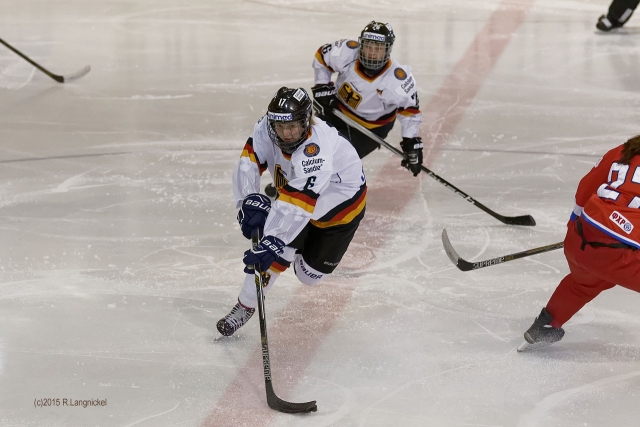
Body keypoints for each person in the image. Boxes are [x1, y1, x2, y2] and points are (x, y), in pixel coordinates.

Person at [216, 86, 367, 337]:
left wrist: (274, 239)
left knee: (308, 275)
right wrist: (247, 201)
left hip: (341, 201)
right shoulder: (266, 127)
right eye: (280, 126)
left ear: (306, 122)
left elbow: (300, 202)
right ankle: (245, 305)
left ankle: (297, 246)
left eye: (293, 126)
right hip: (297, 194)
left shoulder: (316, 149)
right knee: (277, 246)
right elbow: (248, 163)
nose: (286, 133)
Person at [518, 136, 640, 352]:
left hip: (581, 238)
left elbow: (586, 188)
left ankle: (544, 326)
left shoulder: (623, 150)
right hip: (622, 251)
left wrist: (573, 226)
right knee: (605, 269)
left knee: (584, 282)